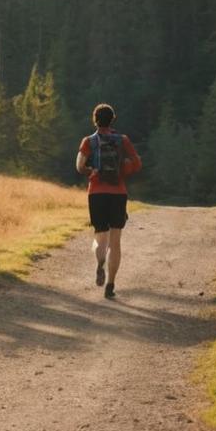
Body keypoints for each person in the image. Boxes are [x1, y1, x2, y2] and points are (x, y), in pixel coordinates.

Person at [76, 103, 141, 299]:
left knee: (100, 237)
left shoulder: (88, 141)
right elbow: (137, 163)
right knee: (116, 241)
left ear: (94, 119)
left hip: (96, 193)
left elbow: (79, 166)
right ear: (113, 119)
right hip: (118, 193)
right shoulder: (123, 140)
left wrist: (91, 171)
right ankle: (110, 284)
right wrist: (123, 171)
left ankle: (100, 261)